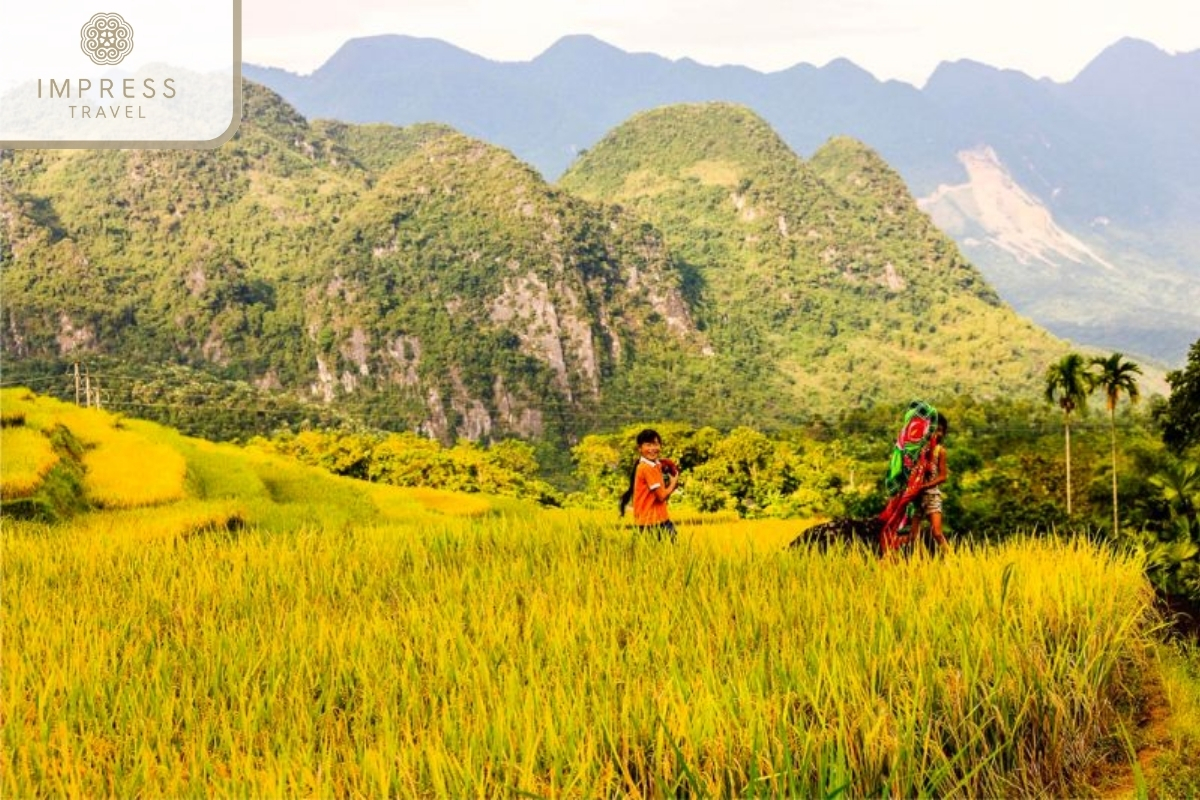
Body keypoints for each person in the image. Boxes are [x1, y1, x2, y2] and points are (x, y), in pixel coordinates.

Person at [618, 428, 679, 542]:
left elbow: (660, 496)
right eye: (648, 445)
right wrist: (674, 481)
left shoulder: (653, 465)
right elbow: (662, 496)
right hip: (651, 524)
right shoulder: (646, 468)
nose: (652, 449)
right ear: (640, 448)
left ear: (660, 446)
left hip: (658, 520)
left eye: (655, 444)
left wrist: (667, 464)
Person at [915, 415, 950, 552]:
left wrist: (924, 486)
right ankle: (914, 562)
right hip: (916, 498)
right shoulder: (919, 450)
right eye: (934, 430)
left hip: (932, 496)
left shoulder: (940, 451)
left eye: (940, 430)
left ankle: (952, 559)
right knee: (913, 536)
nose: (937, 434)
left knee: (937, 533)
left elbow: (943, 476)